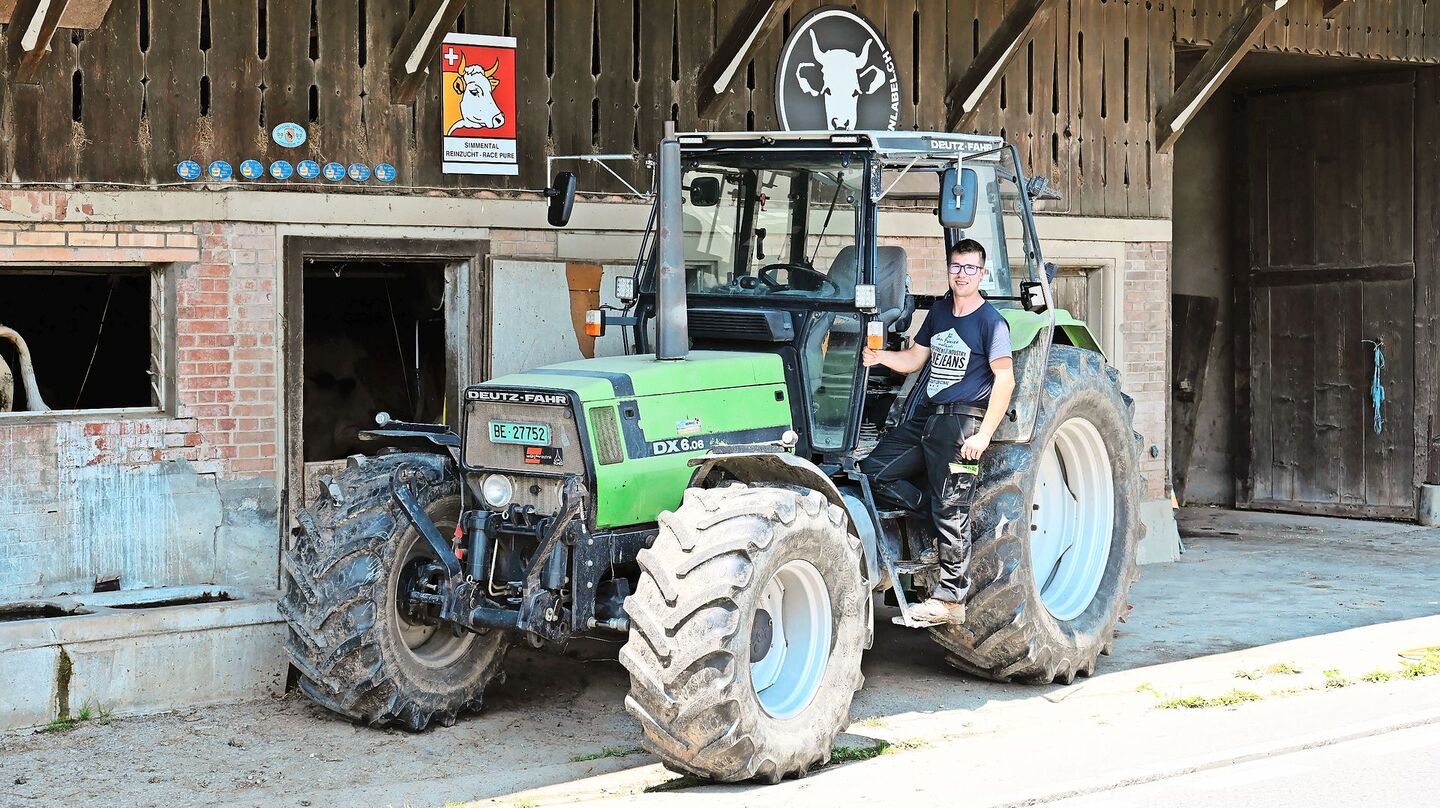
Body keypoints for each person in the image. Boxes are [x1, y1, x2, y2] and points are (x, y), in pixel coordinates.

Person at [860, 238, 1015, 626]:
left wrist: (984, 435)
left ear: (982, 273)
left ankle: (950, 600)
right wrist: (880, 357)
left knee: (952, 508)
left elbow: (1005, 380)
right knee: (873, 472)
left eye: (970, 268)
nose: (962, 274)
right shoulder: (941, 312)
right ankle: (933, 516)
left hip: (963, 421)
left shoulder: (992, 322)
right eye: (956, 267)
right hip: (928, 416)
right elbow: (915, 359)